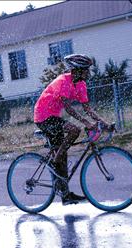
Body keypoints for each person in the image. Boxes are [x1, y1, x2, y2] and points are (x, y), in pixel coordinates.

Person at [33, 54, 109, 205]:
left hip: (54, 117)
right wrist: (87, 124)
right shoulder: (63, 81)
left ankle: (66, 196)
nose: (88, 73)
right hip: (43, 116)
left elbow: (87, 109)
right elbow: (68, 108)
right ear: (77, 70)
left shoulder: (81, 84)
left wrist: (104, 123)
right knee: (75, 130)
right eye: (86, 70)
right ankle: (55, 160)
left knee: (63, 156)